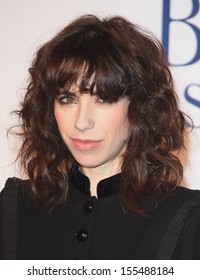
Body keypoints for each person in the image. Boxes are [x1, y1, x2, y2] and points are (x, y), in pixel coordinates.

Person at [0, 14, 200, 260]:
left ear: (140, 107)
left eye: (103, 99)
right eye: (67, 99)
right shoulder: (17, 208)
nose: (82, 122)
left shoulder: (187, 218)